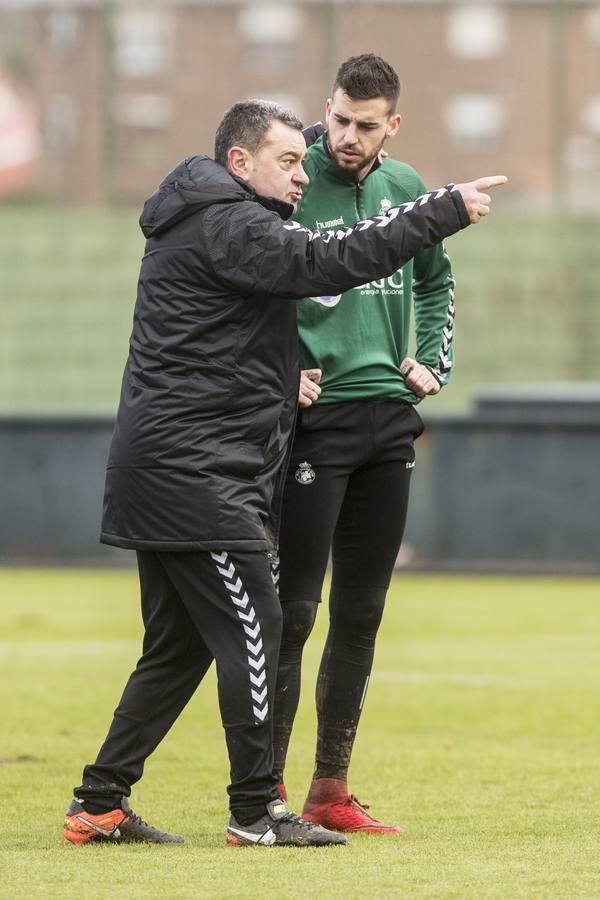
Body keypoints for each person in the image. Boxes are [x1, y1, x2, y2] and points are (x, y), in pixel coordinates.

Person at [62, 98, 505, 848]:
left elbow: (218, 347)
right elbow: (324, 261)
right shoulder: (232, 222)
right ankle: (255, 811)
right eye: (289, 161)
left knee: (178, 647)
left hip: (176, 468)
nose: (305, 174)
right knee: (259, 630)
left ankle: (99, 801)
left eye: (305, 160)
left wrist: (280, 380)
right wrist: (440, 210)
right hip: (195, 477)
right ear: (241, 164)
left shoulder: (212, 215)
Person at [273, 54, 480, 835]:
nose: (348, 137)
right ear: (324, 108)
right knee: (293, 612)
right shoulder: (288, 180)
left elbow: (436, 281)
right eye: (340, 120)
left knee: (361, 613)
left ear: (393, 124)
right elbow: (253, 281)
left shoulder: (406, 188)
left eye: (367, 125)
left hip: (387, 418)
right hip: (310, 427)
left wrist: (432, 360)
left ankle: (331, 790)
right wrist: (283, 365)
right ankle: (266, 793)